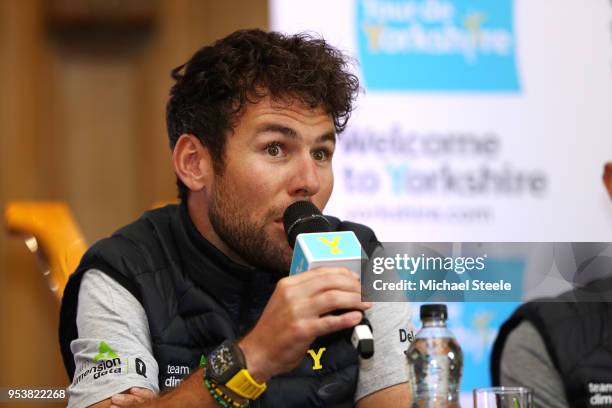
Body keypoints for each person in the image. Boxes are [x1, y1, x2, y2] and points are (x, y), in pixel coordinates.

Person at [59, 29, 413, 407]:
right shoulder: (123, 273)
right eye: (276, 148)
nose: (309, 182)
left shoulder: (363, 261)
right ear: (194, 163)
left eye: (322, 153)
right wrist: (252, 359)